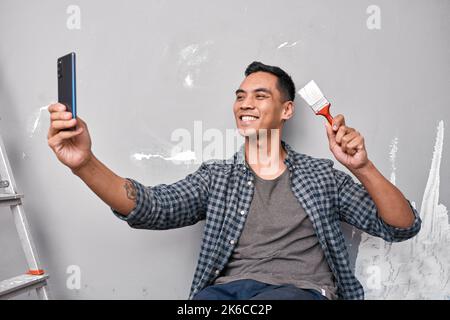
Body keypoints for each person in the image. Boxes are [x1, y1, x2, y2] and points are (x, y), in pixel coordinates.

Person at [47, 61, 421, 300]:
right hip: (225, 296)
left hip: (298, 293)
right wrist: (84, 164)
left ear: (287, 109)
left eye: (260, 96)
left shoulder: (322, 177)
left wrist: (363, 167)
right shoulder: (216, 178)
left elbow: (402, 227)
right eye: (240, 96)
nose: (245, 103)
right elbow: (151, 207)